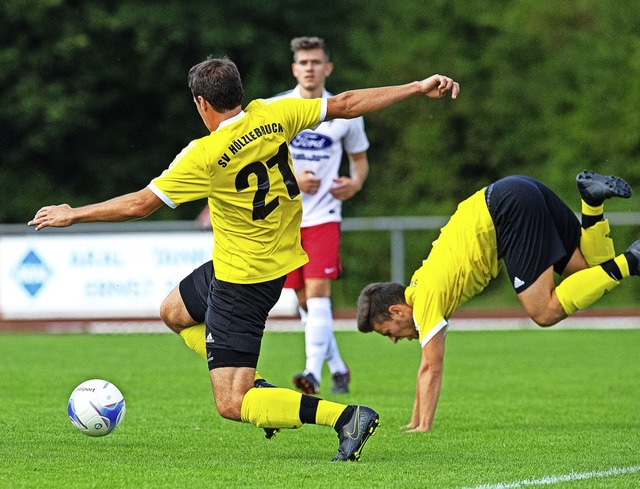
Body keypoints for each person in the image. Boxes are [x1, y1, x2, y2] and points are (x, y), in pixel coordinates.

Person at [28, 56, 460, 460]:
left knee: (232, 405)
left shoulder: (204, 154)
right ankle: (258, 388)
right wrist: (417, 87)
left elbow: (141, 204)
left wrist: (74, 213)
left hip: (243, 282)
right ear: (238, 91)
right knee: (173, 311)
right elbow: (347, 104)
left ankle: (345, 417)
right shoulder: (273, 114)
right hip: (246, 265)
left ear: (201, 103)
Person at [356, 170, 640, 433]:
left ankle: (633, 259)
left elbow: (431, 365)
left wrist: (423, 426)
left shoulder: (425, 298)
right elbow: (425, 365)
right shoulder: (421, 284)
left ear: (396, 310)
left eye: (388, 332)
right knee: (593, 273)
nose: (394, 339)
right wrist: (414, 421)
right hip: (515, 191)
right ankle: (592, 203)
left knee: (544, 311)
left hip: (504, 208)